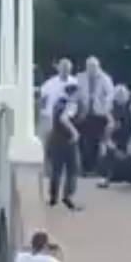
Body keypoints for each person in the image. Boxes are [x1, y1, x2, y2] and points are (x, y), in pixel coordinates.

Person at [98, 84, 131, 188]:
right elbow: (114, 123)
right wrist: (109, 140)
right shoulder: (118, 105)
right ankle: (106, 177)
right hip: (124, 134)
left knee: (128, 155)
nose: (118, 104)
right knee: (108, 149)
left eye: (120, 100)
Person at [77, 56, 115, 176]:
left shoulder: (105, 79)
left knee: (96, 142)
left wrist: (104, 109)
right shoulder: (80, 77)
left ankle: (95, 168)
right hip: (84, 113)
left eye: (93, 67)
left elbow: (110, 96)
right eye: (89, 67)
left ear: (98, 67)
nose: (91, 69)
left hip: (99, 114)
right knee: (83, 141)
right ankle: (85, 168)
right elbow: (76, 92)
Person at [47, 81, 82, 210]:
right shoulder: (71, 104)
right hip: (68, 140)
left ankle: (53, 197)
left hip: (56, 139)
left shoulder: (58, 103)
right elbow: (64, 118)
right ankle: (68, 196)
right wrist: (75, 132)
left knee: (56, 169)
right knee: (73, 168)